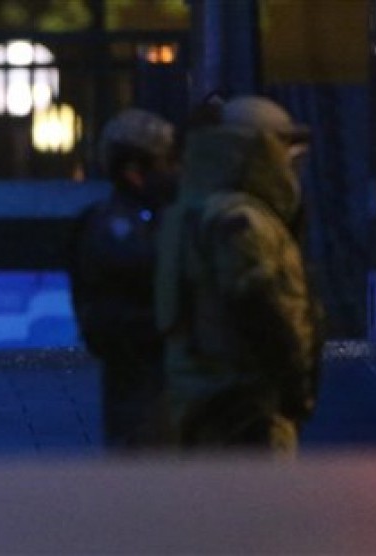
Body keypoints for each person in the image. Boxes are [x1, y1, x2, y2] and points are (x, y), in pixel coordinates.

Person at [155, 95, 324, 453]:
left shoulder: (195, 213)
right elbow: (259, 308)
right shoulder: (243, 220)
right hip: (247, 408)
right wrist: (296, 384)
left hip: (207, 398)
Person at [68, 108, 179, 449]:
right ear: (135, 171)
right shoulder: (116, 228)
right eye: (167, 162)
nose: (176, 171)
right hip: (145, 379)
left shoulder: (154, 219)